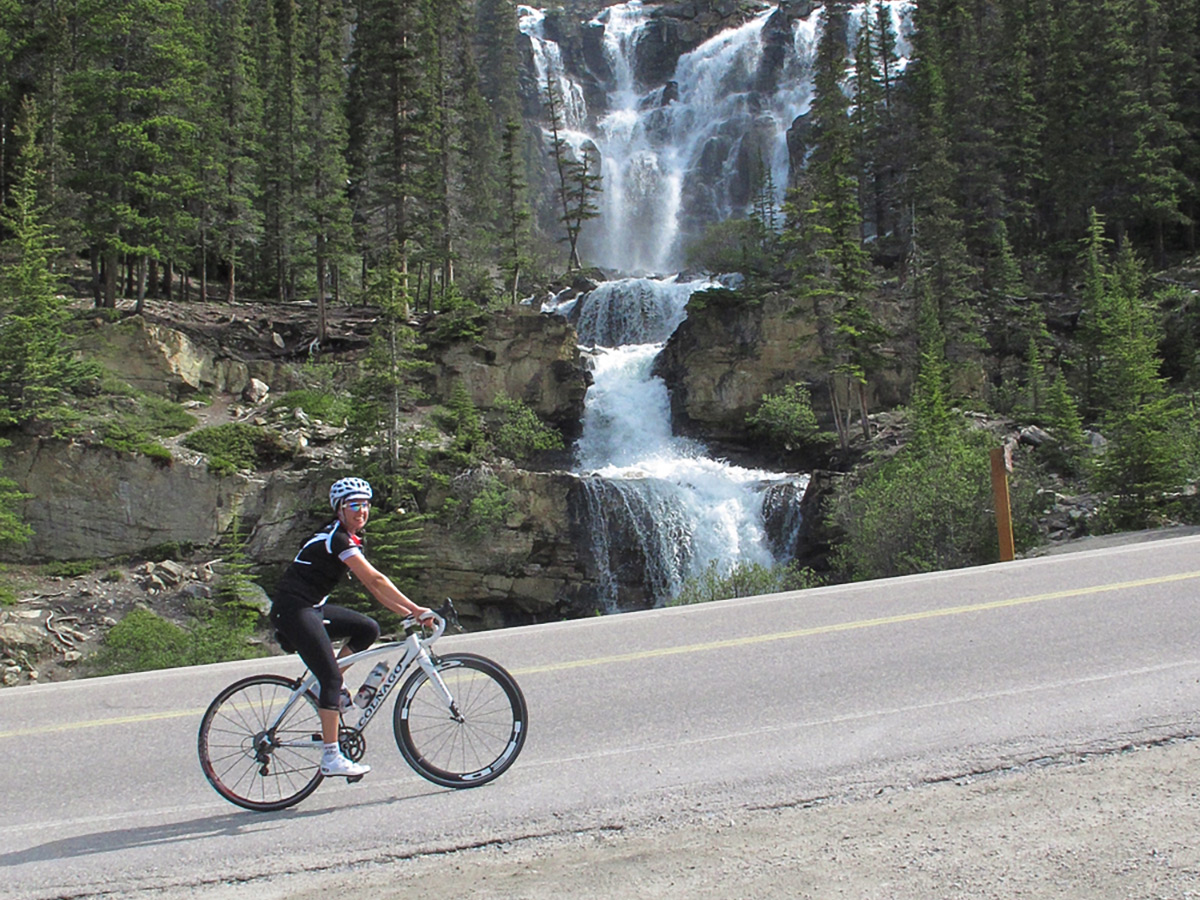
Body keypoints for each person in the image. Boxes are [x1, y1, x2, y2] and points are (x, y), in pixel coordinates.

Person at [269, 476, 433, 778]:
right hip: (293, 611)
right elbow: (376, 580)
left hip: (312, 608)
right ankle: (331, 757)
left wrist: (406, 615)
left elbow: (374, 590)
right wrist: (415, 609)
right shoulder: (338, 538)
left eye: (366, 504)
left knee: (368, 629)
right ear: (339, 509)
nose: (362, 511)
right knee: (332, 678)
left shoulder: (350, 538)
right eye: (354, 505)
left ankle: (323, 687)